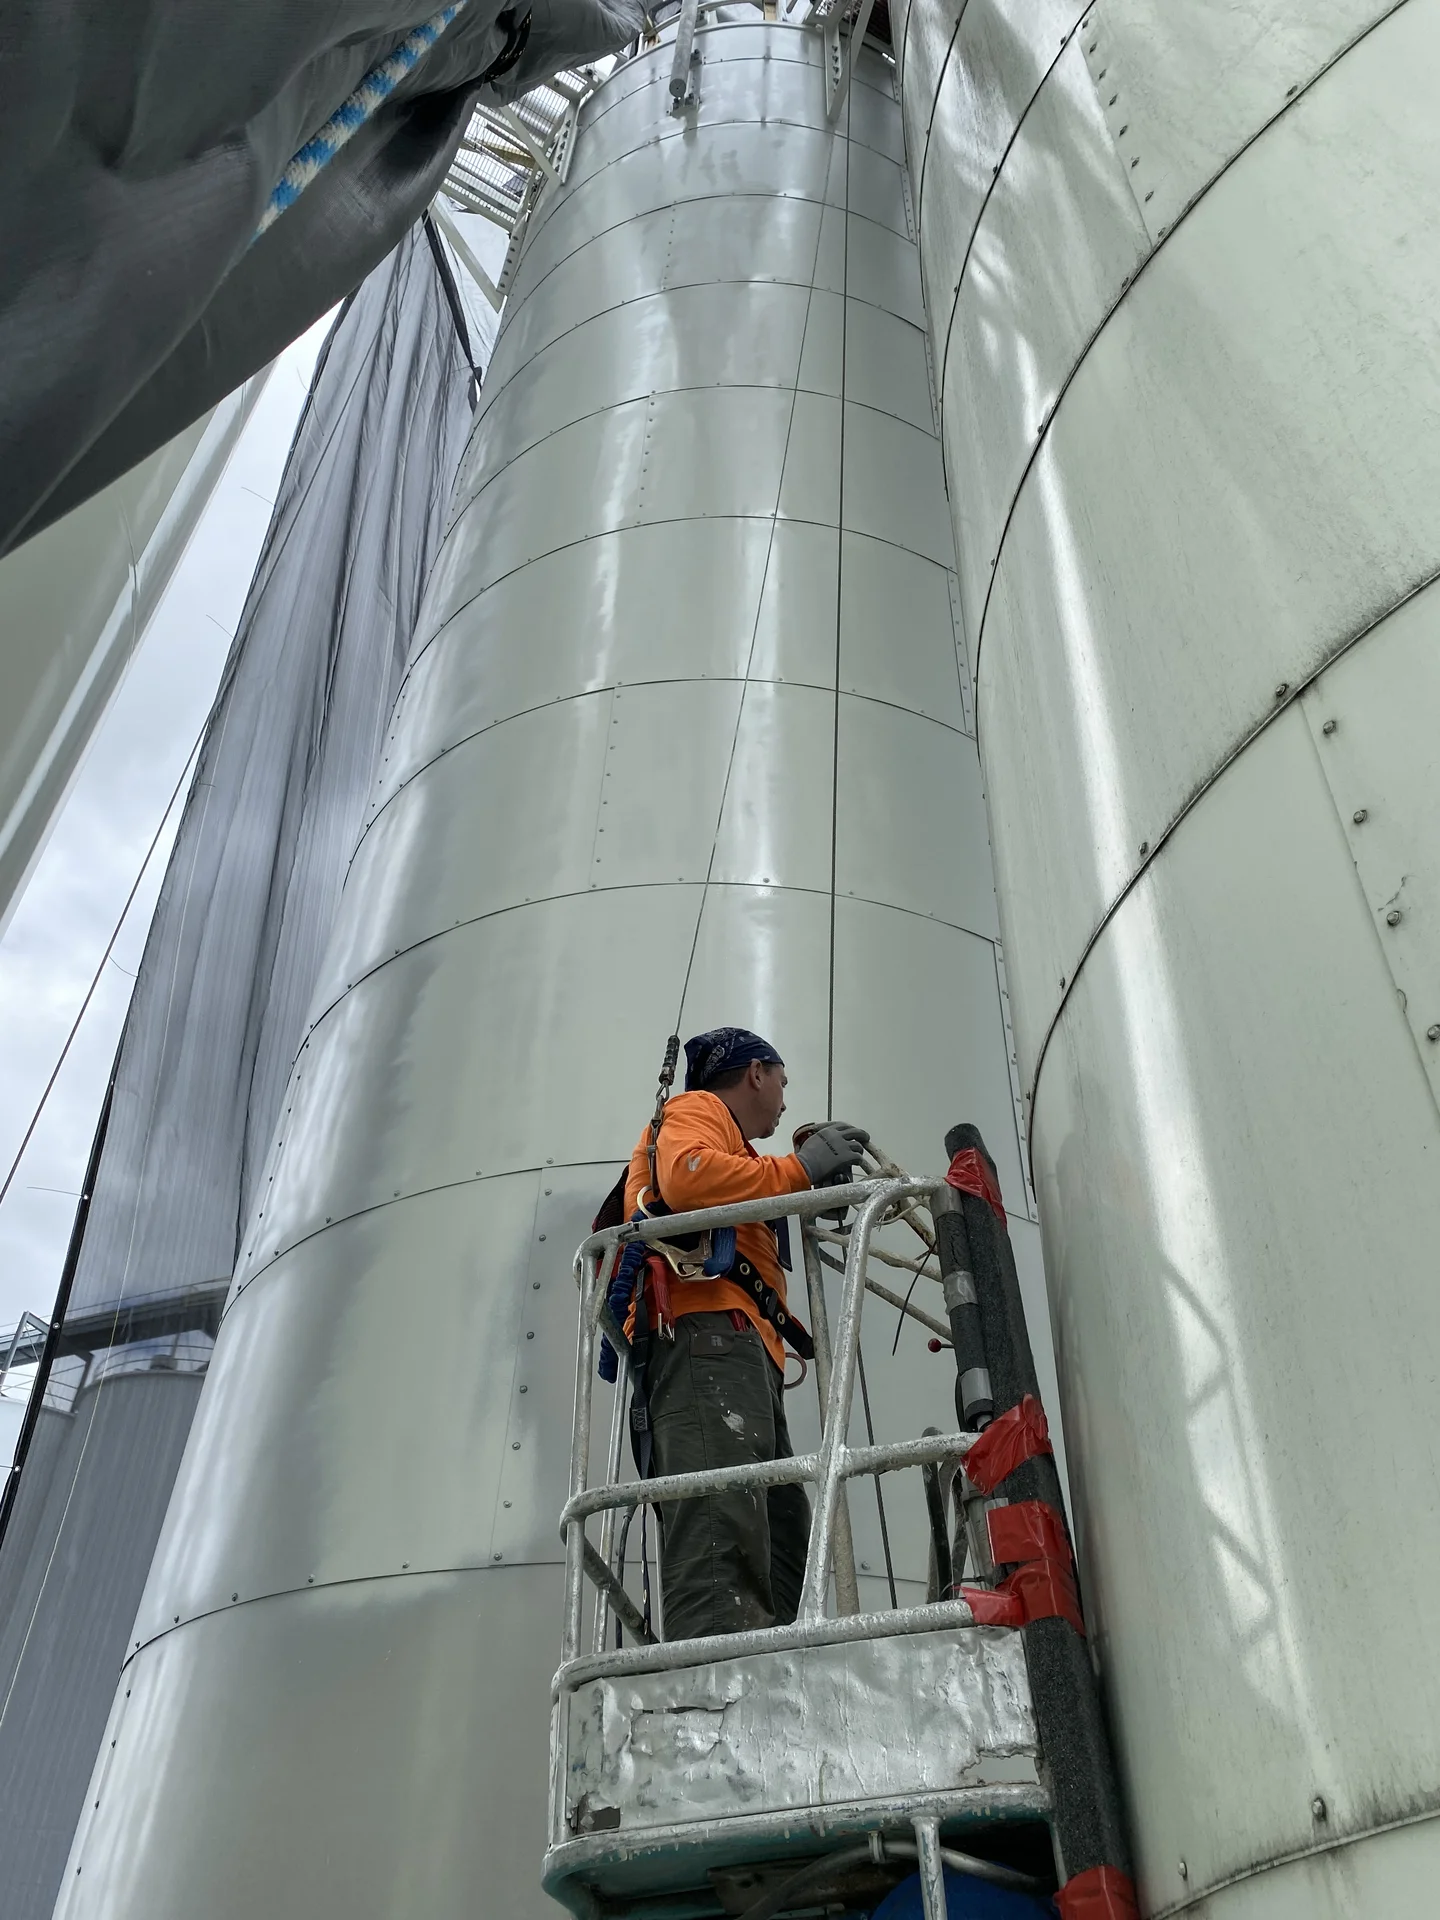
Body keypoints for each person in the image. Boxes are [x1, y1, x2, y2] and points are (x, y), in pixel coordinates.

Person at [622, 1025, 869, 1641]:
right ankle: (715, 1672)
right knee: (722, 1519)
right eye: (782, 1079)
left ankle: (779, 1660)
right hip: (707, 1341)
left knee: (780, 1527)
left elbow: (742, 1188)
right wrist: (802, 1168)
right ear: (754, 1072)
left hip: (739, 1353)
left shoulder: (748, 1161)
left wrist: (808, 1186)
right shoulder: (696, 1109)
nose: (785, 1097)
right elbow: (685, 1177)